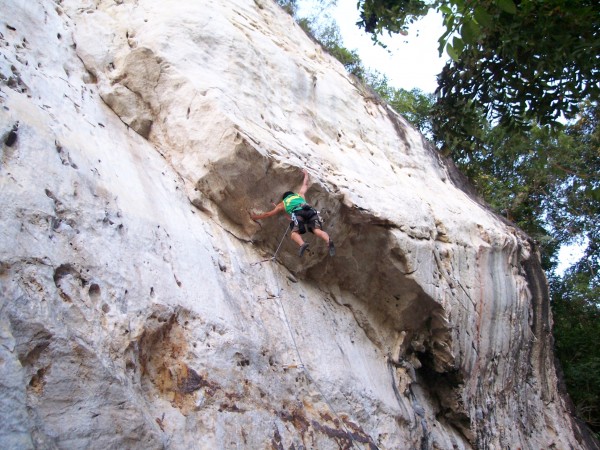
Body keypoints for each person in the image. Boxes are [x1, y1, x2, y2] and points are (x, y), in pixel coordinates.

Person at [250, 169, 335, 257]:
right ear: (292, 194)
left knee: (294, 233)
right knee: (317, 230)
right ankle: (328, 241)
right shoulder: (300, 195)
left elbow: (268, 214)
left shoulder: (283, 203)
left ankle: (302, 244)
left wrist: (256, 217)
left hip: (298, 213)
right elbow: (305, 184)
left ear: (284, 198)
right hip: (310, 211)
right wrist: (306, 174)